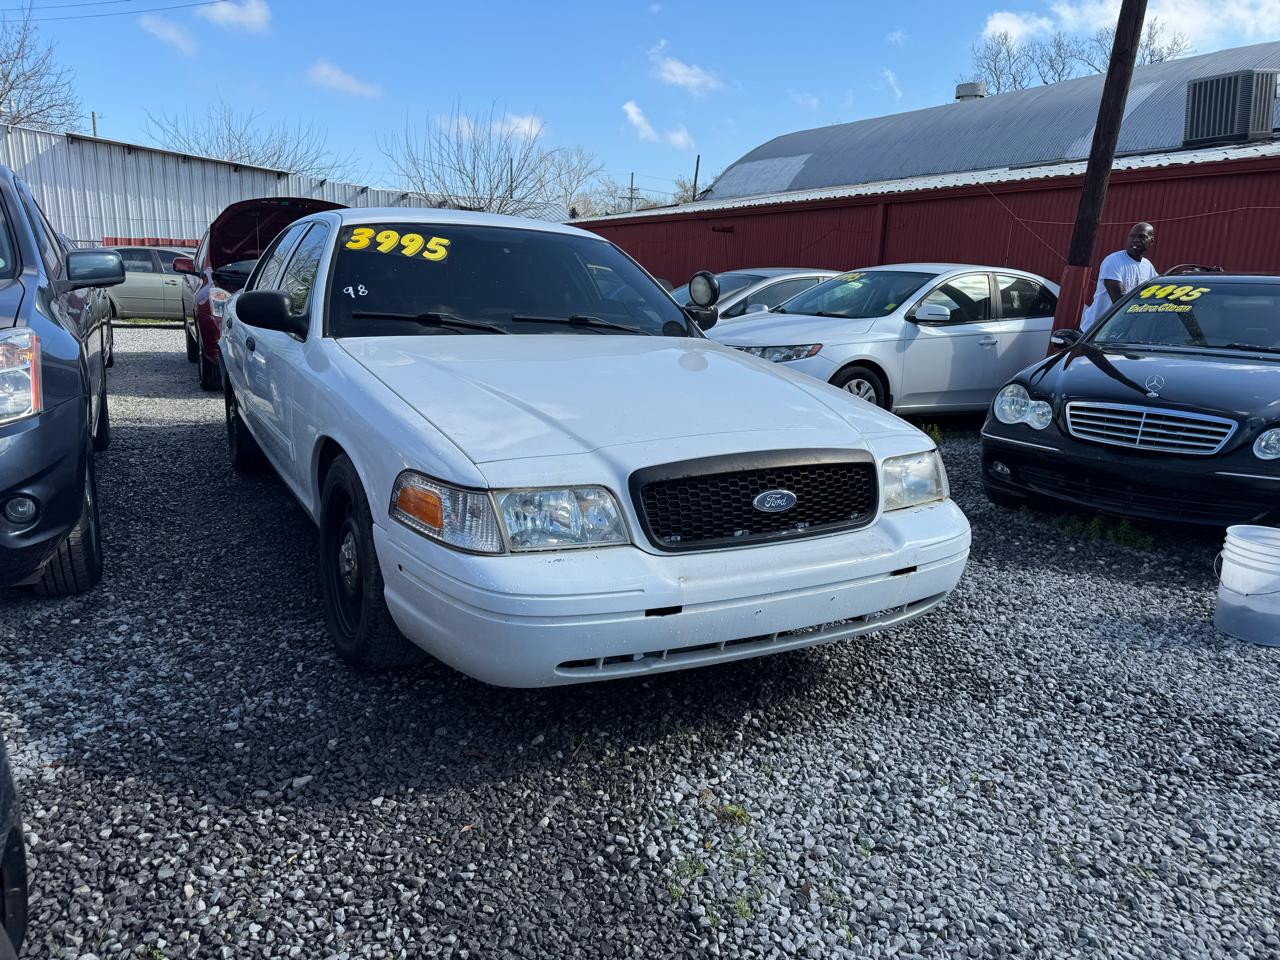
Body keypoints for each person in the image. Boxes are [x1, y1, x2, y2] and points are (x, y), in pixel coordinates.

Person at [1080, 222, 1157, 332]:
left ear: (1151, 241)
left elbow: (1160, 289)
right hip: (1095, 332)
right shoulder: (1114, 261)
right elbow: (1119, 300)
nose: (1136, 240)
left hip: (1120, 334)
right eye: (1132, 236)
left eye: (1142, 236)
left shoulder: (1148, 266)